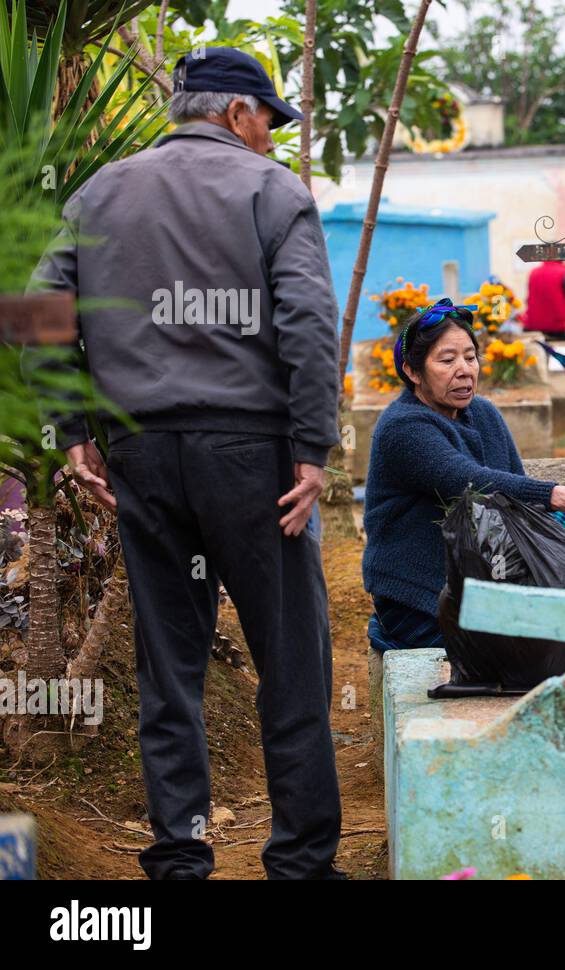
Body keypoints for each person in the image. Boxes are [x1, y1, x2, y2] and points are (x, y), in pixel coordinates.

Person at [34, 48, 344, 878]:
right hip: (254, 458)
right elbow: (310, 323)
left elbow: (36, 311)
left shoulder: (98, 193)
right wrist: (312, 449)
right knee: (291, 662)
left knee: (169, 664)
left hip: (140, 455)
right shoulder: (271, 191)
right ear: (240, 114)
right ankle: (302, 862)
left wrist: (73, 431)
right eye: (270, 124)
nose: (271, 141)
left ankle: (179, 857)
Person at [362, 298, 565, 654]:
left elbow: (520, 499)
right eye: (446, 360)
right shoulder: (402, 427)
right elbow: (467, 481)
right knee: (541, 650)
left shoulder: (484, 415)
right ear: (413, 372)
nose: (464, 369)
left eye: (470, 357)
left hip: (486, 581)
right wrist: (558, 494)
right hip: (420, 598)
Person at [520, 260, 565, 341]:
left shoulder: (533, 273)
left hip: (534, 325)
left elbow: (529, 298)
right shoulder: (563, 272)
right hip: (558, 327)